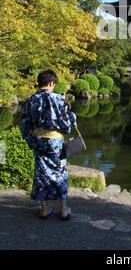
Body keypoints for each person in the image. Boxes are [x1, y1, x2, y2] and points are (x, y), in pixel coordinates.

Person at [20, 69, 77, 220]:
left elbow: (25, 125)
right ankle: (64, 210)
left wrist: (30, 140)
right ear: (51, 83)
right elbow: (68, 125)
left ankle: (44, 209)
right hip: (55, 141)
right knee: (60, 172)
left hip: (38, 141)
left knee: (41, 173)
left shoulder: (30, 100)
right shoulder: (58, 100)